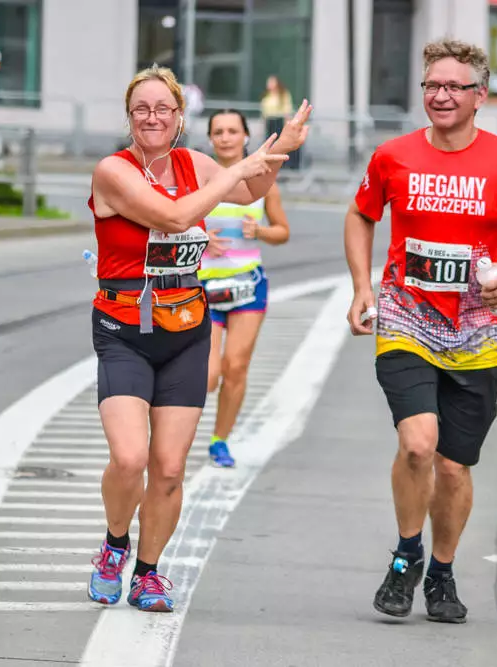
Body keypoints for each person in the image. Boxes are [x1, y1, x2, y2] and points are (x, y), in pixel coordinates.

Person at [344, 38, 497, 624]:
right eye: (431, 86)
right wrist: (363, 286)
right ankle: (406, 555)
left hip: (475, 331)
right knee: (417, 443)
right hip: (407, 317)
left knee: (453, 465)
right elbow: (362, 214)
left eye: (453, 87)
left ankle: (441, 570)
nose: (439, 95)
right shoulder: (393, 156)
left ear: (479, 96)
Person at [86, 65, 310, 613]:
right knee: (131, 457)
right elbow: (173, 213)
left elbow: (252, 188)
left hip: (186, 327)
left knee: (167, 467)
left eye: (164, 108)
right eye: (142, 108)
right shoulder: (113, 171)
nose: (153, 117)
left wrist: (279, 151)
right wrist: (238, 172)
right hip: (125, 328)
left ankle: (147, 571)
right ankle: (115, 543)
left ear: (180, 117)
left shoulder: (196, 163)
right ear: (129, 116)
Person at [199, 109, 291, 467]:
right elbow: (172, 222)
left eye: (232, 131)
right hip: (203, 287)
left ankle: (220, 440)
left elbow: (282, 231)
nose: (225, 137)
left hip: (247, 287)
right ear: (209, 139)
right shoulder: (199, 178)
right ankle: (177, 427)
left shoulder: (262, 181)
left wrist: (261, 232)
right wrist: (200, 238)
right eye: (218, 131)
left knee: (235, 368)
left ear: (245, 137)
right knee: (207, 376)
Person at [261, 75, 299, 170]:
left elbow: (287, 109)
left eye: (271, 82)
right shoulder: (267, 95)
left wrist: (287, 124)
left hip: (279, 121)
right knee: (270, 143)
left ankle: (285, 163)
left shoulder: (283, 94)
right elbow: (264, 110)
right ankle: (272, 163)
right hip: (270, 121)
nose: (269, 84)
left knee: (281, 142)